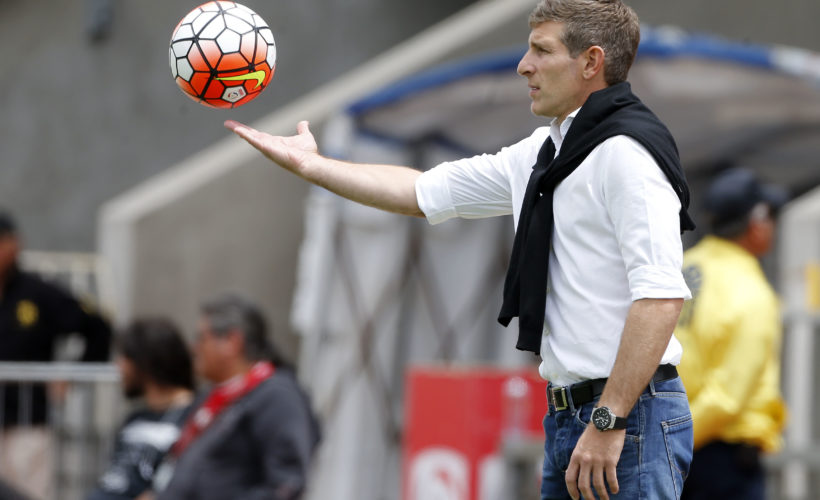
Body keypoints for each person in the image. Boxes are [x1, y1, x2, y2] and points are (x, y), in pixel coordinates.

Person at [225, 1, 696, 498]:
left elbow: (660, 298)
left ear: (591, 62)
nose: (524, 65)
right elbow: (420, 192)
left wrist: (607, 420)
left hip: (626, 417)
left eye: (541, 50)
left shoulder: (626, 153)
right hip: (574, 416)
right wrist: (315, 167)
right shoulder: (546, 152)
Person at [677, 168, 788, 500]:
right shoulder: (750, 291)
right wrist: (675, 437)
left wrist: (663, 440)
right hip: (719, 457)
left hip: (671, 443)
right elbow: (727, 398)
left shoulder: (682, 267)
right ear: (757, 223)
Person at [149, 293, 320, 500]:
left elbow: (286, 485)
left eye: (202, 338)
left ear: (232, 341)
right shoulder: (216, 395)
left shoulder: (276, 397)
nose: (195, 348)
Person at [0, 210, 112, 500]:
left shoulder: (39, 293)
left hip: (27, 424)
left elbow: (98, 327)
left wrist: (70, 377)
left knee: (27, 493)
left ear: (14, 244)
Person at [87, 318, 197, 500]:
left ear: (144, 362)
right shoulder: (134, 419)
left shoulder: (196, 417)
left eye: (124, 358)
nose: (118, 367)